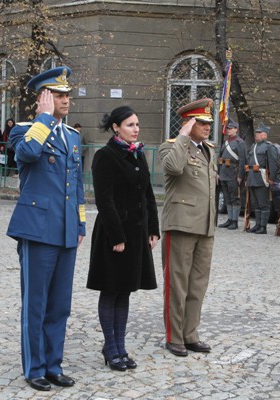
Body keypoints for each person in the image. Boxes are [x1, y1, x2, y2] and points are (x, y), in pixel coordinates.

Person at [6, 66, 85, 391]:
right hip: (37, 229)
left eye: (67, 94)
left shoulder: (73, 136)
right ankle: (34, 367)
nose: (66, 100)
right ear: (44, 98)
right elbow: (25, 154)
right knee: (35, 303)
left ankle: (53, 364)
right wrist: (43, 119)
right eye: (59, 95)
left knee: (60, 305)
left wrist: (80, 222)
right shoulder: (24, 130)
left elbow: (77, 185)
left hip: (66, 230)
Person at [86, 106, 159, 371]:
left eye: (137, 124)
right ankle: (111, 347)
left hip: (137, 234)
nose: (136, 129)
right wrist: (117, 236)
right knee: (111, 289)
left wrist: (153, 228)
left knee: (126, 290)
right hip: (114, 234)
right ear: (116, 127)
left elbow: (148, 194)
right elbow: (104, 200)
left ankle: (119, 345)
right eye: (130, 125)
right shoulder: (105, 156)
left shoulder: (137, 153)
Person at [159, 98, 216, 357]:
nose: (207, 127)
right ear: (188, 123)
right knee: (177, 283)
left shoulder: (209, 150)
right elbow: (173, 167)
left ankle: (191, 334)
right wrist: (182, 137)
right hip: (181, 224)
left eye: (208, 123)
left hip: (205, 226)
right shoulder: (171, 147)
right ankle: (175, 336)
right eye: (201, 122)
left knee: (197, 284)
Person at [244, 122, 279, 234]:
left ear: (265, 135)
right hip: (252, 177)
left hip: (262, 177)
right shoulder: (253, 146)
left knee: (263, 203)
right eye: (256, 133)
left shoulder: (269, 147)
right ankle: (257, 224)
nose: (256, 135)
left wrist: (272, 179)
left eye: (259, 133)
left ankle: (263, 226)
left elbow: (273, 164)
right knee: (255, 204)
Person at [217, 119, 246, 230]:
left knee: (235, 198)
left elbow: (242, 160)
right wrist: (218, 172)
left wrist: (240, 175)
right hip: (224, 173)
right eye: (227, 128)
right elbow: (220, 159)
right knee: (227, 198)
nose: (228, 130)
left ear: (236, 129)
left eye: (230, 128)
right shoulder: (225, 142)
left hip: (233, 173)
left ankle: (234, 221)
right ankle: (229, 219)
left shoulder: (240, 143)